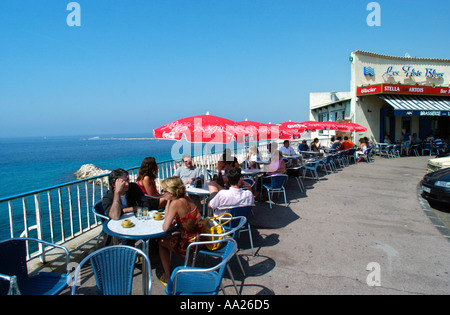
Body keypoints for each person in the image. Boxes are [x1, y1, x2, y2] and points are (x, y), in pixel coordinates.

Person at [158, 176, 204, 286]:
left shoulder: (175, 203)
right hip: (200, 237)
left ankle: (168, 275)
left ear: (172, 192)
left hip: (189, 243)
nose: (163, 193)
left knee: (161, 242)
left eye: (164, 190)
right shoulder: (186, 198)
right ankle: (187, 264)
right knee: (173, 235)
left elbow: (165, 227)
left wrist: (169, 202)